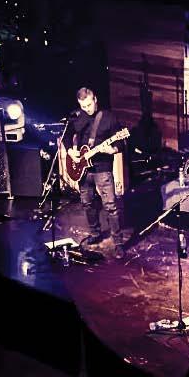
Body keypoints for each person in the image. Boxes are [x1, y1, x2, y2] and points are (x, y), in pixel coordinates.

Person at [65, 86, 127, 256]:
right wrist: (71, 152)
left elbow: (121, 142)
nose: (87, 109)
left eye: (89, 105)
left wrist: (112, 149)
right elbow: (66, 136)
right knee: (87, 203)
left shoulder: (109, 117)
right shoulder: (78, 117)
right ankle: (95, 233)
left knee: (111, 206)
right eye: (83, 106)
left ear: (95, 99)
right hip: (82, 168)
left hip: (102, 168)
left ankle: (118, 242)